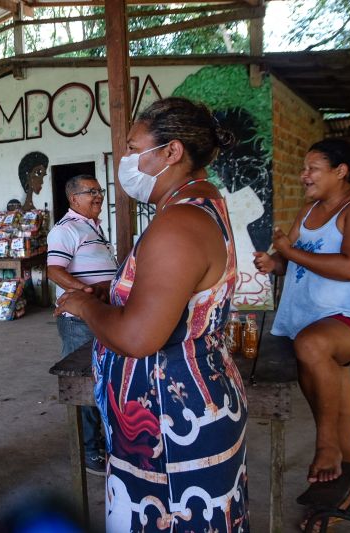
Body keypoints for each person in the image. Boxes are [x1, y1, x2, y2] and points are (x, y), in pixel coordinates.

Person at [55, 97, 248, 531]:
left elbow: (140, 338)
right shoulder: (196, 205)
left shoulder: (179, 223)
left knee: (170, 519)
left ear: (171, 152)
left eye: (132, 147)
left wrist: (85, 305)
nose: (125, 160)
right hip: (178, 411)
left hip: (171, 424)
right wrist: (120, 293)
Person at [253, 138, 350, 484]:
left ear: (340, 171)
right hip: (303, 323)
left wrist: (289, 251)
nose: (304, 175)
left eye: (312, 168)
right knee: (338, 413)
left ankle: (326, 447)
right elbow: (294, 260)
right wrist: (275, 261)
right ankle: (339, 493)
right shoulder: (309, 210)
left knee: (313, 347)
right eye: (304, 168)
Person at [47, 174, 118, 476]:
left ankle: (105, 443)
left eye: (99, 190)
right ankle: (91, 452)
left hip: (100, 315)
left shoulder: (93, 227)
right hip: (79, 321)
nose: (98, 196)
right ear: (74, 199)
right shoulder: (65, 229)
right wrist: (84, 292)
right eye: (91, 192)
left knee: (102, 379)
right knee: (85, 383)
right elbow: (53, 269)